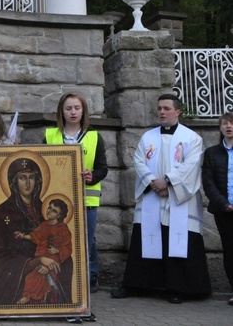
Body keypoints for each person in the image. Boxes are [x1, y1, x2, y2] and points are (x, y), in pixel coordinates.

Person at [111, 94, 210, 304]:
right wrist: (152, 182)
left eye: (166, 108)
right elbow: (138, 161)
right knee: (147, 238)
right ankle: (137, 284)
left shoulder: (192, 138)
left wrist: (168, 182)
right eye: (159, 108)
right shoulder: (148, 137)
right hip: (152, 197)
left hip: (178, 198)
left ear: (177, 111)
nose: (162, 112)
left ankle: (178, 288)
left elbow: (191, 165)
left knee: (178, 240)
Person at [0, 156, 72, 305]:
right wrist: (36, 261)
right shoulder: (1, 214)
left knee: (66, 261)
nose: (27, 184)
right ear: (13, 182)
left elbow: (59, 237)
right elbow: (2, 257)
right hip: (17, 266)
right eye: (22, 178)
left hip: (47, 259)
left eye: (31, 178)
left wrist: (53, 254)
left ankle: (62, 306)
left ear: (37, 181)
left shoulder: (45, 209)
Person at [45, 93, 107, 297]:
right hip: (59, 198)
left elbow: (102, 168)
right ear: (61, 112)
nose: (73, 112)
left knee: (87, 240)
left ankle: (90, 277)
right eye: (68, 108)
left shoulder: (94, 136)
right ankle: (63, 278)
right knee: (61, 240)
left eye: (77, 108)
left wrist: (92, 176)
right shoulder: (50, 135)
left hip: (86, 197)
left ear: (83, 111)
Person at [14, 199, 73, 304]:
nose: (49, 211)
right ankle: (29, 296)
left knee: (40, 275)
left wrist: (58, 250)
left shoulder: (63, 228)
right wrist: (23, 236)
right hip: (42, 255)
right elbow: (35, 236)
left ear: (59, 215)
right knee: (31, 276)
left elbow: (67, 247)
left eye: (54, 211)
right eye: (49, 208)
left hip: (55, 258)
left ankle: (30, 296)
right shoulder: (44, 225)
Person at [201, 113, 233, 305]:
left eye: (232, 123)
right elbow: (208, 182)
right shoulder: (212, 153)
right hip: (224, 211)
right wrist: (225, 204)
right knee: (230, 251)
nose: (229, 127)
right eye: (225, 124)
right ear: (220, 128)